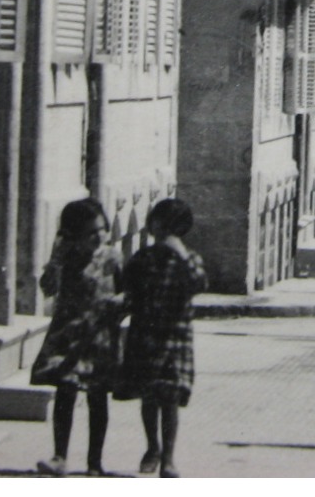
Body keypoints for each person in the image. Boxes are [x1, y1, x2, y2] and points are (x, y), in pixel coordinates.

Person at [30, 197, 123, 477]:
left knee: (97, 397)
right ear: (74, 234)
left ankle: (95, 462)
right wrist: (56, 259)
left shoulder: (112, 257)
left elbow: (125, 290)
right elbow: (47, 289)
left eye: (102, 230)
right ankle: (60, 456)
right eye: (90, 232)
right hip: (68, 334)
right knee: (66, 391)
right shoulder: (66, 257)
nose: (98, 237)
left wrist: (119, 304)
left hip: (100, 336)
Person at [116, 198, 207, 478]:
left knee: (169, 397)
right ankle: (152, 446)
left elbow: (198, 283)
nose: (162, 231)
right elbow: (127, 290)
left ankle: (168, 458)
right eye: (158, 223)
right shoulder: (142, 258)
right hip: (145, 335)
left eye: (170, 227)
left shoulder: (188, 259)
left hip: (176, 339)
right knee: (149, 396)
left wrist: (179, 253)